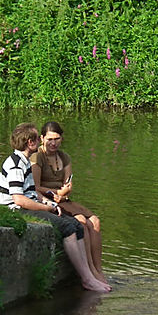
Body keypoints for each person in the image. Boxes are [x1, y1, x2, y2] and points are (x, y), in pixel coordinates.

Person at [0, 122, 111, 293]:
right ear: (30, 142)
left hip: (29, 205)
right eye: (37, 138)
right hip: (15, 210)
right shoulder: (15, 164)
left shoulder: (24, 161)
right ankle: (87, 279)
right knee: (68, 228)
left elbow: (30, 194)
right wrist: (46, 208)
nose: (41, 142)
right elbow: (19, 200)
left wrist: (48, 203)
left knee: (76, 226)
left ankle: (89, 274)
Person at [31, 121, 107, 287]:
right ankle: (89, 271)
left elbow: (68, 183)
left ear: (61, 139)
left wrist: (65, 192)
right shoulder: (37, 157)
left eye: (57, 139)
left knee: (95, 221)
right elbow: (35, 187)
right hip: (48, 198)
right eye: (49, 139)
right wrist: (56, 193)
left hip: (63, 199)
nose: (53, 143)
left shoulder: (64, 157)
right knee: (82, 221)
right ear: (42, 138)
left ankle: (98, 269)